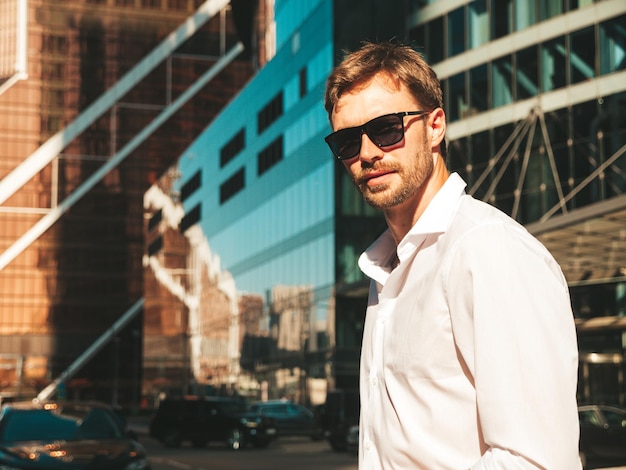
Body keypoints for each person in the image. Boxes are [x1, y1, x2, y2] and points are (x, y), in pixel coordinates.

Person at [323, 41, 581, 469]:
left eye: (387, 128)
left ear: (436, 125)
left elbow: (535, 460)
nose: (367, 153)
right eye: (349, 141)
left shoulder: (486, 250)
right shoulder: (385, 273)